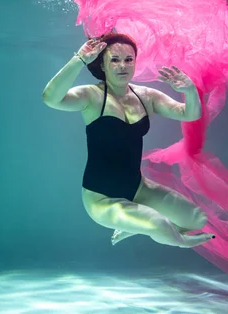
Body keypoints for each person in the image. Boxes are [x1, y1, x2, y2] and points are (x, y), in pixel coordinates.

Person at [42, 32, 215, 248]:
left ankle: (135, 226)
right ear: (103, 65)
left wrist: (189, 91)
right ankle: (164, 234)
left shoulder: (146, 96)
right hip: (102, 200)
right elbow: (50, 98)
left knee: (196, 219)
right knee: (159, 225)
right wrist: (79, 59)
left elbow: (189, 114)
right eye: (114, 60)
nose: (122, 66)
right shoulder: (92, 96)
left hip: (139, 188)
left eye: (128, 60)